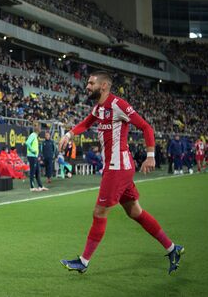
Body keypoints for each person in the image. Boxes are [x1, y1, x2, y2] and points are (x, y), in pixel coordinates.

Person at [59, 71, 183, 274]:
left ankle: (83, 261)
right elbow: (87, 122)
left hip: (118, 168)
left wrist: (150, 155)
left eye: (91, 83)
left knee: (99, 212)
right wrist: (69, 134)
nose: (87, 86)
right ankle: (172, 248)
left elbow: (146, 127)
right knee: (135, 212)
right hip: (117, 168)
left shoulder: (118, 104)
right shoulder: (99, 108)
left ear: (104, 85)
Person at [26, 123, 46, 191]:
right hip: (31, 156)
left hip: (35, 156)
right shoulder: (32, 135)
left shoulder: (35, 136)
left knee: (37, 171)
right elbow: (27, 143)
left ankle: (40, 186)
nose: (41, 129)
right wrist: (32, 150)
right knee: (32, 171)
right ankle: (32, 187)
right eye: (40, 128)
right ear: (38, 129)